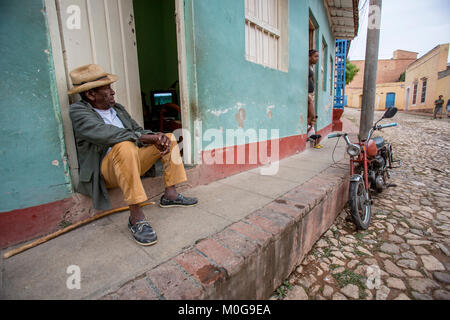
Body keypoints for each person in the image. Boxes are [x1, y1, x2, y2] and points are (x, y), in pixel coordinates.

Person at [68, 64, 197, 246]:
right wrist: (141, 137)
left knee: (169, 137)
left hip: (131, 162)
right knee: (124, 145)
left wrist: (156, 137)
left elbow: (137, 130)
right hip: (107, 170)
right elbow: (106, 133)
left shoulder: (118, 109)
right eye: (107, 89)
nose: (112, 92)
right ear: (90, 94)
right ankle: (136, 217)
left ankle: (171, 195)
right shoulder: (78, 111)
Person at [308, 49, 322, 148]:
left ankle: (309, 134)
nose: (317, 58)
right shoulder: (306, 66)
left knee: (312, 117)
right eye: (315, 56)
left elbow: (312, 79)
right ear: (309, 57)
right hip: (307, 95)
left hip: (310, 94)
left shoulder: (311, 67)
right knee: (312, 115)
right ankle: (307, 134)